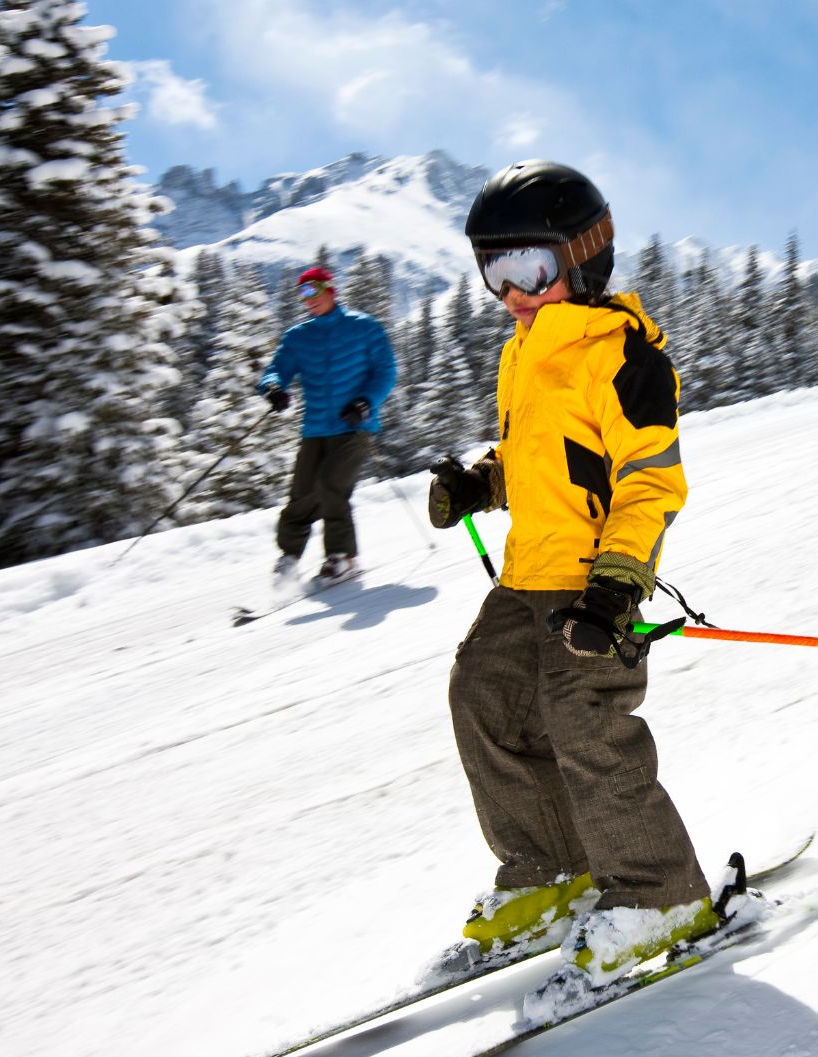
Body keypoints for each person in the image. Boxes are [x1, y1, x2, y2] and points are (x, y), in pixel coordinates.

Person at [426, 160, 713, 990]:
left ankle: (661, 892)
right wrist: (481, 483)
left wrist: (619, 585)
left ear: (583, 258)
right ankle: (551, 872)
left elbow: (649, 479)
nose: (513, 292)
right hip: (527, 576)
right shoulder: (525, 351)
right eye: (496, 271)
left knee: (584, 723)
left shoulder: (623, 358)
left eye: (532, 269)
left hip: (595, 584)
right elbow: (539, 459)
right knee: (482, 697)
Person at [256, 266, 398, 584]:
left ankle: (342, 557)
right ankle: (290, 556)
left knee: (332, 486)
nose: (309, 299)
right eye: (303, 293)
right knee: (302, 493)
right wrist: (274, 389)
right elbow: (275, 370)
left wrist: (365, 402)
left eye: (314, 291)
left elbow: (386, 371)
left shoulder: (363, 328)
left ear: (331, 290)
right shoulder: (298, 337)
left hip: (355, 426)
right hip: (316, 428)